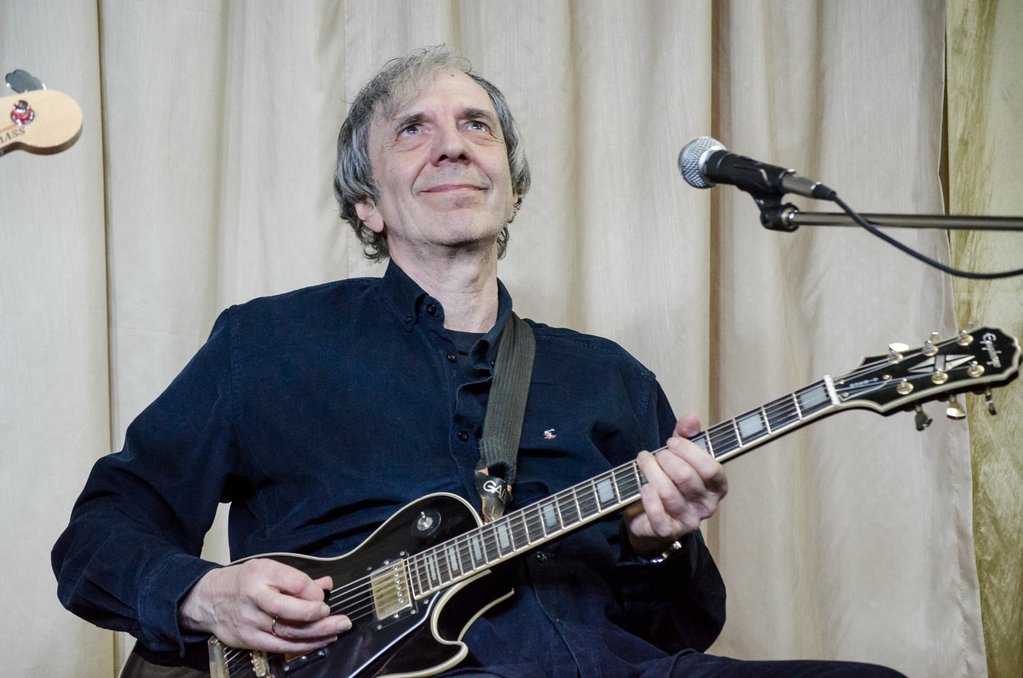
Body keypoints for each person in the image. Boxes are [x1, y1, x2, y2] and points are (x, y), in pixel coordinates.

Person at [53, 47, 903, 677]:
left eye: (475, 126)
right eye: (412, 130)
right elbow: (98, 534)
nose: (452, 146)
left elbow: (680, 631)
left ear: (512, 187)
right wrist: (199, 594)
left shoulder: (607, 377)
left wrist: (658, 543)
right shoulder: (268, 346)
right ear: (367, 204)